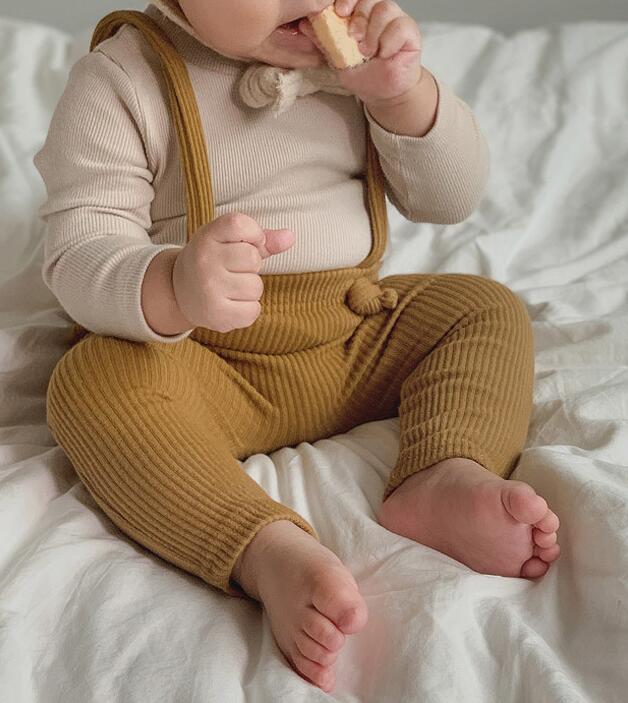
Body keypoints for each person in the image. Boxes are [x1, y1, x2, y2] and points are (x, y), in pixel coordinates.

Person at [33, 0, 560, 694]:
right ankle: (264, 549)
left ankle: (442, 471)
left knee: (482, 306)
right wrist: (173, 283)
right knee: (92, 381)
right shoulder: (125, 78)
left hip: (349, 331)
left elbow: (450, 200)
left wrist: (404, 98)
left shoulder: (355, 65)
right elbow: (78, 249)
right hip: (205, 358)